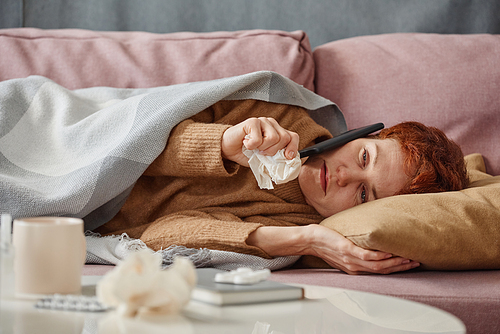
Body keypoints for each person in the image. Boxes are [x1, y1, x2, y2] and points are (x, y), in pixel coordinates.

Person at [95, 99, 468, 275]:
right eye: (365, 158)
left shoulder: (291, 228)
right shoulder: (281, 116)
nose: (343, 176)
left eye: (363, 194)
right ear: (364, 135)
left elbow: (162, 237)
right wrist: (226, 143)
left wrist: (307, 240)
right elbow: (142, 139)